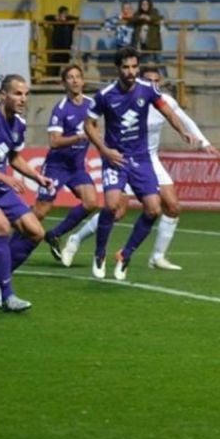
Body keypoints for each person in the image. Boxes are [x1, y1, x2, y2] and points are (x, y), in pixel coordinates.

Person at [63, 65, 220, 271]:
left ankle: (157, 257)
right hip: (126, 157)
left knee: (172, 206)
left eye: (156, 81)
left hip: (149, 158)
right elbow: (93, 123)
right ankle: (76, 239)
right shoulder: (130, 99)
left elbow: (184, 119)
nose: (152, 84)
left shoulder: (163, 101)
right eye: (149, 80)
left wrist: (204, 142)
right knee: (116, 211)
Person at [81, 47, 196, 280]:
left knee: (153, 209)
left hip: (142, 158)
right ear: (117, 69)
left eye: (135, 67)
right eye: (126, 67)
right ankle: (100, 252)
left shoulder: (148, 89)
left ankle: (126, 254)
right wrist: (104, 150)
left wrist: (183, 132)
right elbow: (88, 125)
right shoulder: (105, 95)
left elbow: (168, 112)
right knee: (112, 206)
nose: (131, 71)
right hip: (116, 158)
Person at [0, 75, 53, 312]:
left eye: (26, 94)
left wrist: (36, 176)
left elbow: (13, 157)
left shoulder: (19, 123)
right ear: (3, 95)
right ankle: (8, 295)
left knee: (36, 232)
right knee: (2, 227)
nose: (23, 99)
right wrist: (4, 177)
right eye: (17, 93)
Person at [32, 64, 98, 265]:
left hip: (76, 167)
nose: (75, 80)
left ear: (83, 80)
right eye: (70, 77)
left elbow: (94, 130)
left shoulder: (91, 104)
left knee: (91, 202)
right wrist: (78, 138)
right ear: (64, 83)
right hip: (56, 166)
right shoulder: (61, 108)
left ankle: (55, 234)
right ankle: (9, 239)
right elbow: (54, 141)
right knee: (40, 212)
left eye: (78, 76)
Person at [130, 0, 163, 70]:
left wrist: (149, 18)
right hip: (143, 45)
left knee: (160, 62)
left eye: (146, 4)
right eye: (143, 4)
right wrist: (140, 17)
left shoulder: (154, 11)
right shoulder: (138, 13)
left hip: (155, 44)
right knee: (146, 64)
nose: (144, 6)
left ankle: (166, 79)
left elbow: (159, 17)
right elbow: (132, 19)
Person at [45, 5, 76, 78]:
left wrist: (66, 19)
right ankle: (54, 79)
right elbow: (46, 17)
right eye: (63, 13)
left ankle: (66, 77)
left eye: (66, 13)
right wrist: (56, 18)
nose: (65, 15)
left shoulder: (70, 22)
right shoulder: (56, 21)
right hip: (57, 46)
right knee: (56, 64)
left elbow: (76, 18)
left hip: (66, 46)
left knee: (66, 64)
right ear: (59, 14)